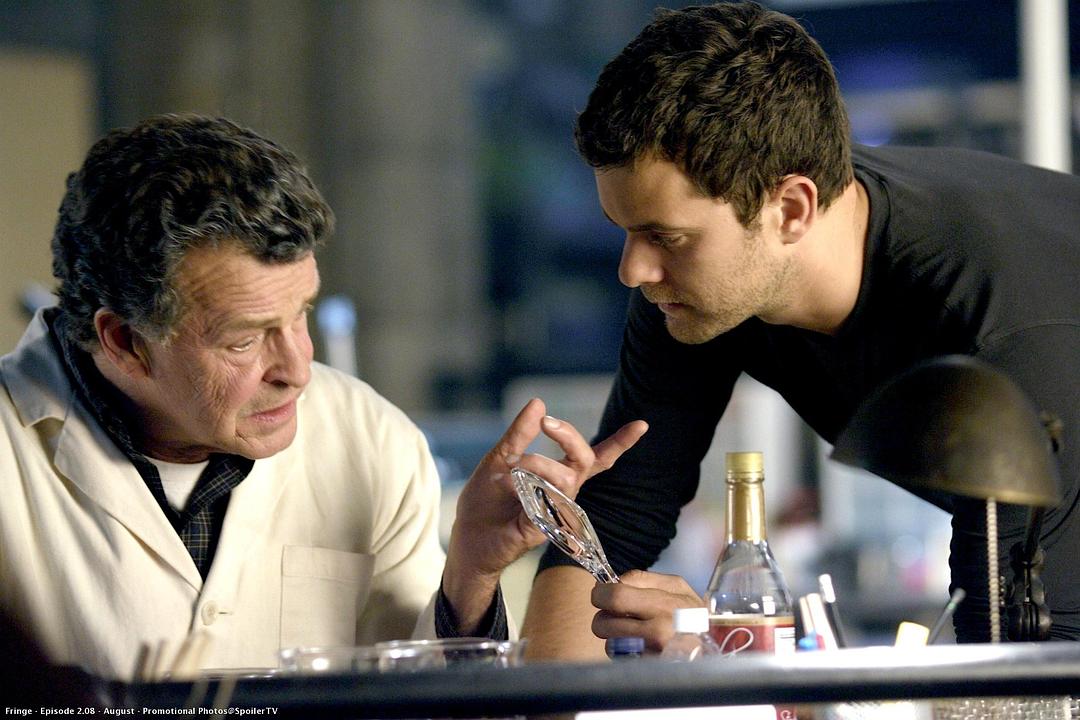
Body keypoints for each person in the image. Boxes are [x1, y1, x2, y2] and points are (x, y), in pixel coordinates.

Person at [519, 1, 1080, 658]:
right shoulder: (708, 270)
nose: (634, 270)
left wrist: (727, 654)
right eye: (627, 231)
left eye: (664, 237)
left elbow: (1019, 669)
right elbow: (613, 524)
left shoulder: (1001, 324)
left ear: (791, 209)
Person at [0, 113, 646, 680]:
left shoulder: (369, 438)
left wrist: (471, 572)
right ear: (123, 342)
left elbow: (421, 704)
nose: (298, 369)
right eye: (244, 340)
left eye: (301, 314)